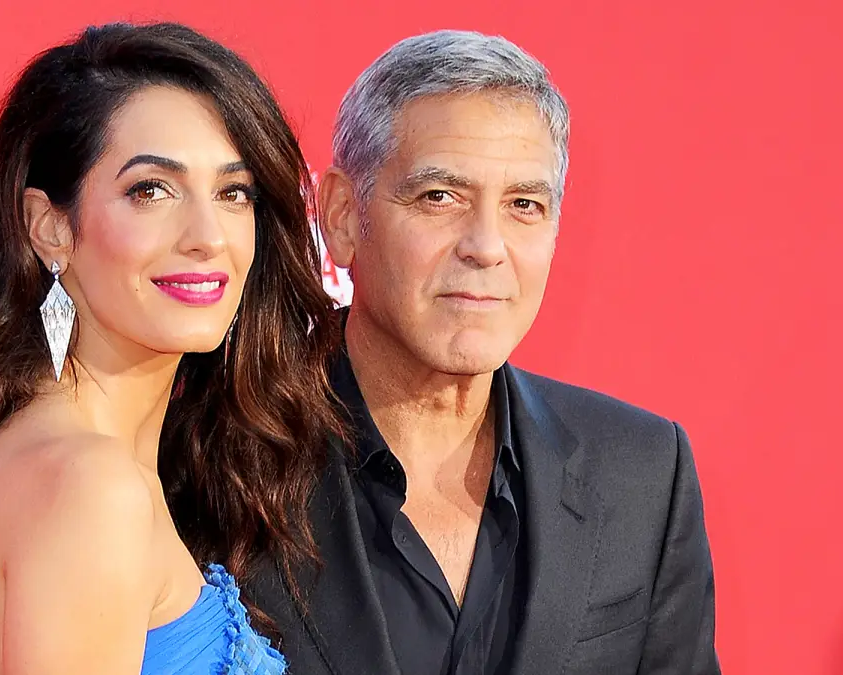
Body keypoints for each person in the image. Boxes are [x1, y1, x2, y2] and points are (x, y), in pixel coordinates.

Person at [0, 22, 344, 675]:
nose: (207, 235)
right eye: (151, 189)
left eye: (232, 192)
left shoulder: (63, 461)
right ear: (50, 229)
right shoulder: (91, 489)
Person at [246, 30, 721, 674]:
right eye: (440, 197)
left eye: (524, 205)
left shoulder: (641, 473)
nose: (486, 246)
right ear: (340, 216)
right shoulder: (216, 453)